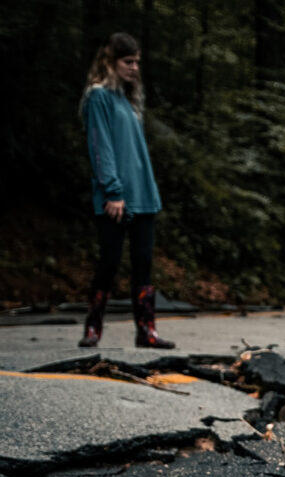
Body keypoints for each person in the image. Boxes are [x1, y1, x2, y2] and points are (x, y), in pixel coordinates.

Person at [78, 32, 174, 349]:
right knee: (109, 261)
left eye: (136, 62)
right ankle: (93, 327)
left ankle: (146, 331)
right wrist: (113, 191)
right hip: (115, 197)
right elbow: (100, 147)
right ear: (111, 61)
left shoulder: (128, 101)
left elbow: (134, 152)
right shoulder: (98, 97)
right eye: (127, 61)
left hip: (143, 195)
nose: (134, 68)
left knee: (143, 263)